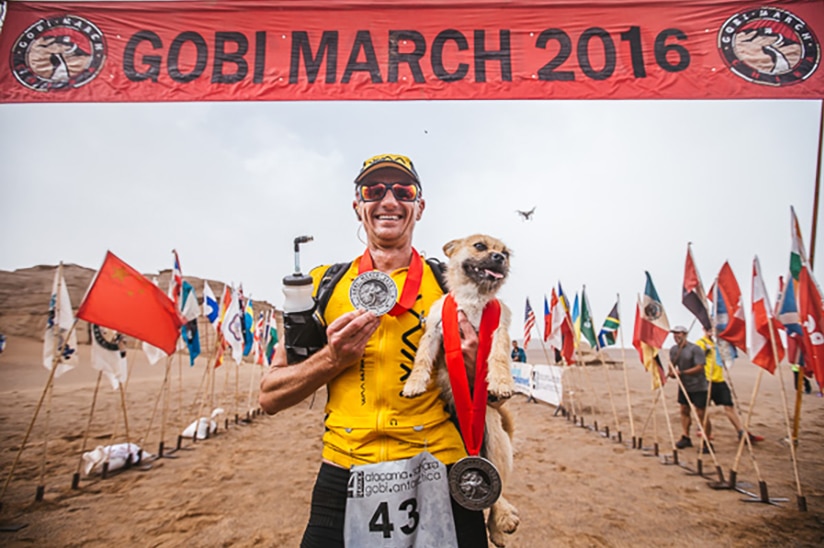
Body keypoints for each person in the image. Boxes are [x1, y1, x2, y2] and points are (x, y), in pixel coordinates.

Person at [259, 153, 488, 547]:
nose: (388, 200)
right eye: (373, 190)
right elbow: (271, 396)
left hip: (439, 468)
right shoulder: (321, 286)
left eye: (403, 190)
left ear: (419, 206)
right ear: (357, 206)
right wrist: (334, 358)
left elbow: (496, 396)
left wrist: (473, 363)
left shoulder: (452, 287)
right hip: (345, 468)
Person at [696, 329, 764, 443]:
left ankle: (741, 432)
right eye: (707, 330)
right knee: (703, 409)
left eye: (712, 329)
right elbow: (697, 358)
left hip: (719, 380)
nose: (710, 332)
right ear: (703, 330)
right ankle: (703, 430)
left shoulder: (717, 344)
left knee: (729, 406)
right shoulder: (701, 343)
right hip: (706, 380)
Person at [667, 325, 710, 452]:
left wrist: (682, 373)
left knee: (701, 413)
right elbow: (672, 364)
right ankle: (686, 436)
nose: (676, 336)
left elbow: (699, 367)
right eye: (674, 334)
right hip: (684, 386)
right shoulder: (674, 350)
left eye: (679, 334)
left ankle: (706, 440)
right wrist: (671, 372)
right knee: (684, 410)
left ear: (685, 334)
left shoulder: (695, 349)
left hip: (699, 385)